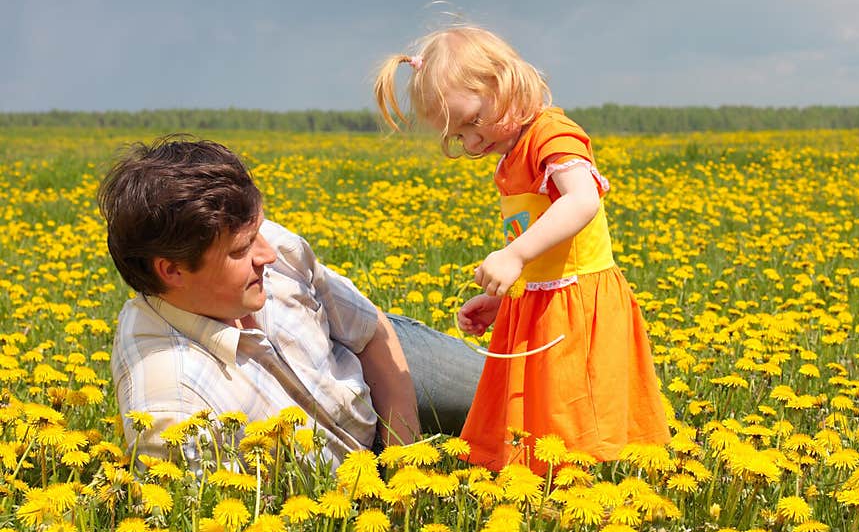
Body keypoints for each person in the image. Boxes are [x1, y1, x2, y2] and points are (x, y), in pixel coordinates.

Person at [374, 25, 671, 475]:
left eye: (473, 121)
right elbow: (544, 241)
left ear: (503, 81)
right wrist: (506, 294)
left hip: (575, 303)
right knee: (537, 424)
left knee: (568, 417)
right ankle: (540, 499)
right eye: (458, 136)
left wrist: (512, 258)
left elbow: (582, 199)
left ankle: (578, 503)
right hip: (542, 300)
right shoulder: (511, 153)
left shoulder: (553, 135)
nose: (472, 141)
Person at [97, 134, 483, 473]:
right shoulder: (171, 399)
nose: (268, 253)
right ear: (172, 270)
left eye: (258, 231)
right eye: (242, 249)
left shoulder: (260, 241)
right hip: (338, 484)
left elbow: (373, 335)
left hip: (370, 357)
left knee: (528, 397)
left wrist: (401, 469)